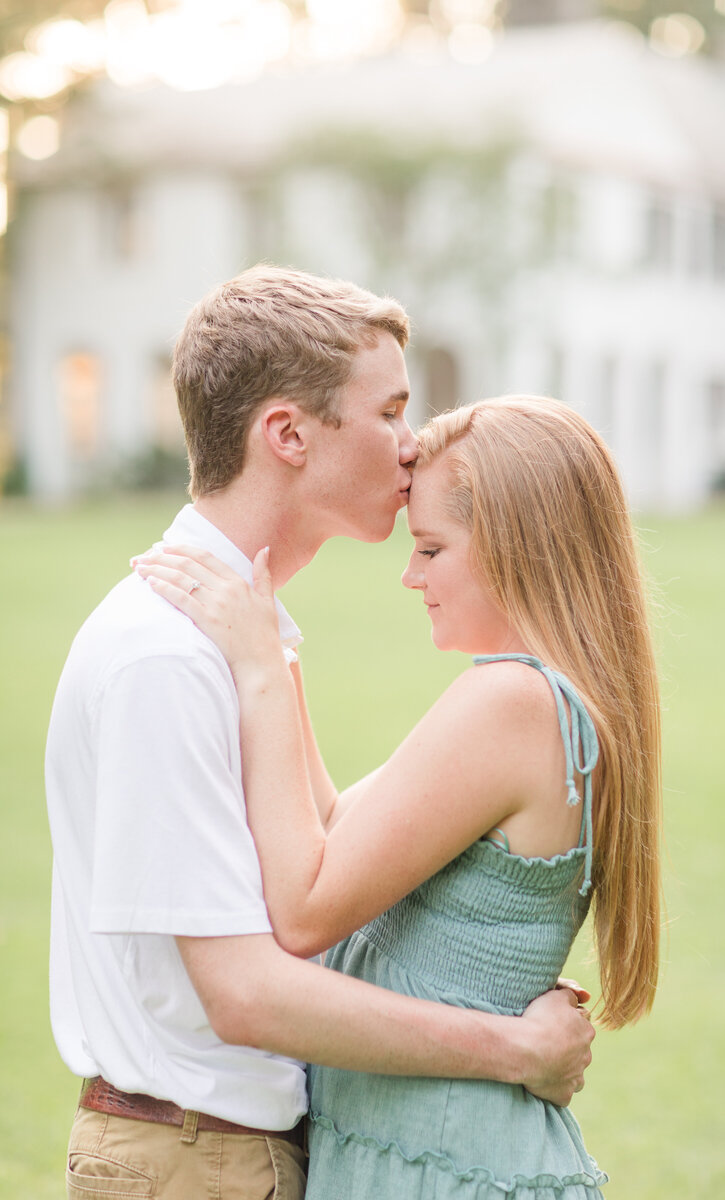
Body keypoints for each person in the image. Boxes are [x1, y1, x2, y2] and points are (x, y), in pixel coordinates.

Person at [45, 266, 595, 1200]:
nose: (412, 441)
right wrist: (514, 1047)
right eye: (389, 410)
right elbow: (249, 990)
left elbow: (336, 860)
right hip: (195, 1164)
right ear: (288, 435)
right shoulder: (170, 658)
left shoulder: (244, 635)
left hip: (229, 1154)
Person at [135, 394, 663, 1198]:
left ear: (518, 547)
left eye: (432, 547)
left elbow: (306, 908)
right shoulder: (552, 704)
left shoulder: (513, 704)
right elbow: (339, 830)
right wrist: (273, 645)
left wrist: (259, 675)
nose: (411, 575)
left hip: (449, 1163)